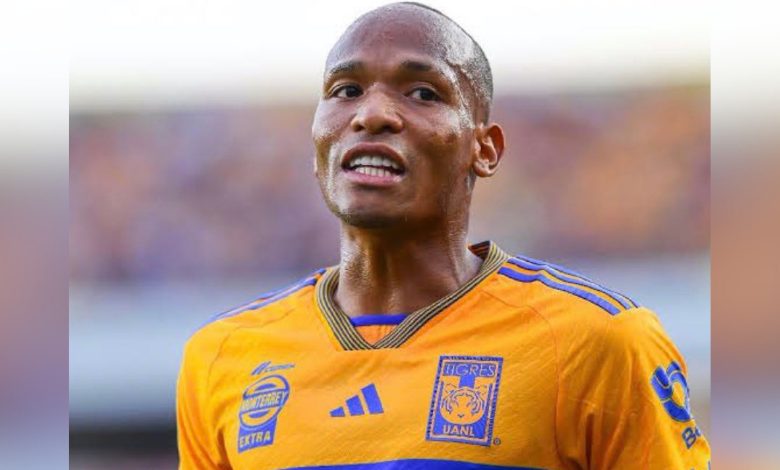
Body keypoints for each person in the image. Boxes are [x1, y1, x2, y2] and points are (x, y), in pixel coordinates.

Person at [176, 2, 711, 469]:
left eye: (422, 93)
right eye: (346, 90)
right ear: (317, 143)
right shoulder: (224, 356)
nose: (373, 114)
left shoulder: (598, 340)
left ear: (485, 149)